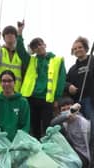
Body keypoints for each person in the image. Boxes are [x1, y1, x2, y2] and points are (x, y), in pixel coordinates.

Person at [16, 21, 66, 139]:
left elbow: (61, 80)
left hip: (47, 99)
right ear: (33, 50)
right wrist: (20, 32)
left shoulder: (58, 60)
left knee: (47, 127)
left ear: (45, 44)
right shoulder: (31, 60)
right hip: (31, 98)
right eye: (34, 47)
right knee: (34, 126)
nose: (38, 47)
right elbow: (20, 50)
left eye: (40, 44)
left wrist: (57, 98)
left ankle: (47, 149)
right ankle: (37, 149)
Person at [66, 36, 94, 167]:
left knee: (92, 129)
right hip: (78, 103)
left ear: (86, 48)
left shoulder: (92, 61)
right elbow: (65, 83)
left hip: (91, 101)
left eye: (80, 47)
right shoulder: (72, 69)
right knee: (81, 132)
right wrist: (69, 86)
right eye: (75, 48)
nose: (77, 50)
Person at [0, 70, 30, 141]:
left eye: (10, 81)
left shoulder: (23, 102)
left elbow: (25, 126)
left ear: (14, 83)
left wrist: (19, 139)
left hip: (18, 141)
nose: (7, 84)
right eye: (4, 81)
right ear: (0, 83)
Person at [50, 97, 91, 168]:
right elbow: (52, 123)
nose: (67, 111)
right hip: (71, 151)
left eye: (69, 109)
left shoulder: (84, 123)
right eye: (64, 110)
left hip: (84, 154)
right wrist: (67, 115)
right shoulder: (64, 124)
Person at [0, 26, 23, 95]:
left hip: (15, 92)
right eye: (7, 33)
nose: (9, 35)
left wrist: (20, 32)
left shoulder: (20, 54)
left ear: (16, 37)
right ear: (3, 38)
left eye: (12, 33)